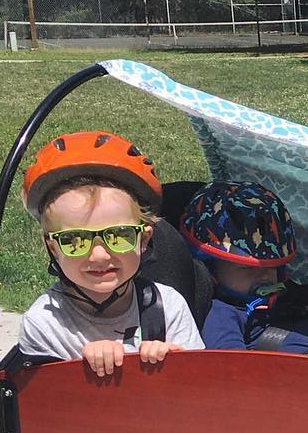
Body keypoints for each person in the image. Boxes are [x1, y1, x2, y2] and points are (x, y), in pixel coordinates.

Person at [18, 131, 204, 375]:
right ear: (53, 248)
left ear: (144, 239)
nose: (99, 256)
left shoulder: (168, 307)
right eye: (75, 240)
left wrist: (178, 368)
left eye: (118, 236)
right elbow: (42, 407)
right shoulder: (46, 322)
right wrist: (81, 374)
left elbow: (201, 397)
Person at [181, 181, 308, 355]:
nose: (263, 274)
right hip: (286, 375)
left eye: (272, 267)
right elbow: (232, 366)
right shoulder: (222, 313)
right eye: (246, 268)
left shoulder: (283, 292)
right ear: (210, 269)